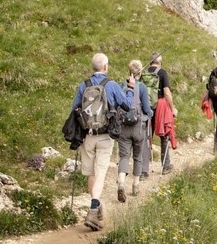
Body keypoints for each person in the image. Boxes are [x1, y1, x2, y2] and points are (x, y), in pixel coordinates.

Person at [70, 53, 135, 231]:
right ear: (105, 67)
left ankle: (97, 210)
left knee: (91, 173)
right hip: (105, 137)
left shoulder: (84, 85)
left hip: (88, 136)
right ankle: (93, 209)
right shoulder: (112, 85)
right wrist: (130, 88)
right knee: (100, 174)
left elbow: (75, 108)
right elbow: (127, 106)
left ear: (93, 67)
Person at [116, 60, 153, 202]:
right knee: (137, 156)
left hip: (123, 127)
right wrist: (150, 114)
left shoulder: (120, 85)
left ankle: (121, 182)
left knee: (124, 156)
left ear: (129, 71)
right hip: (138, 128)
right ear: (140, 72)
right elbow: (146, 108)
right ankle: (136, 185)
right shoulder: (142, 87)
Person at [141, 53, 179, 179]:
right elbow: (167, 92)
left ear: (150, 61)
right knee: (164, 135)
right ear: (160, 62)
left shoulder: (143, 72)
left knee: (147, 136)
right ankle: (165, 166)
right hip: (160, 107)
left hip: (145, 107)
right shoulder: (162, 73)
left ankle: (143, 170)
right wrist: (172, 108)